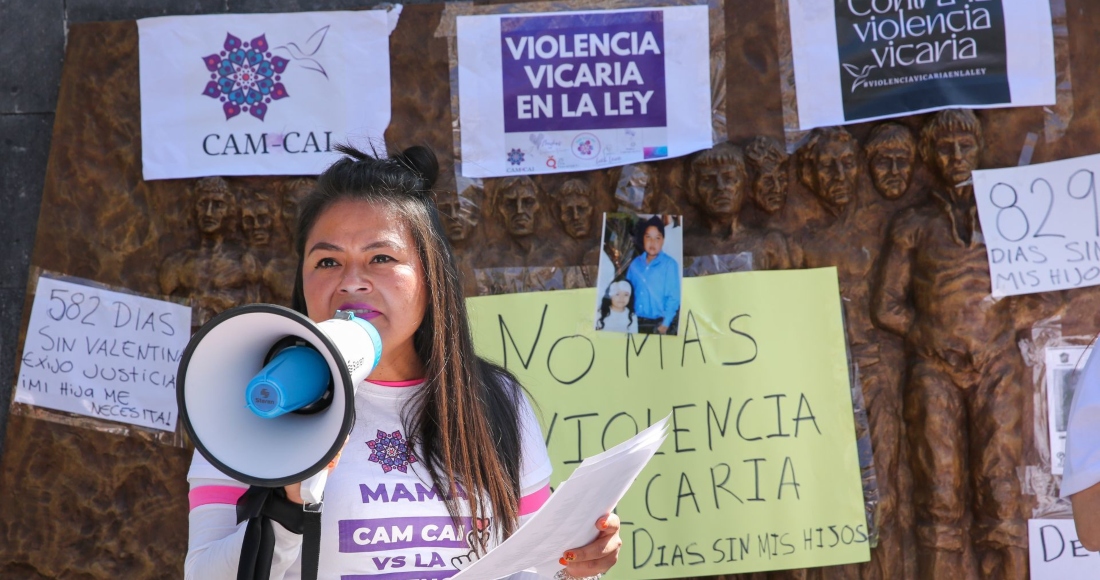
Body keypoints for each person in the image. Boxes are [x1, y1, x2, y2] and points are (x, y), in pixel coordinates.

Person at [184, 145, 623, 579]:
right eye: (328, 261)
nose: (352, 282)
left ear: (431, 274)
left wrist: (576, 565)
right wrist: (287, 505)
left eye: (381, 258)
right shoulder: (255, 405)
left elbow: (535, 567)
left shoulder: (497, 400)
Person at [625, 215, 680, 335]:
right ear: (643, 239)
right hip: (634, 323)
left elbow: (674, 297)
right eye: (648, 237)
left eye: (657, 238)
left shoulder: (670, 265)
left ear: (663, 240)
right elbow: (627, 291)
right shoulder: (635, 264)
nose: (652, 242)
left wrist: (665, 324)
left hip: (658, 325)